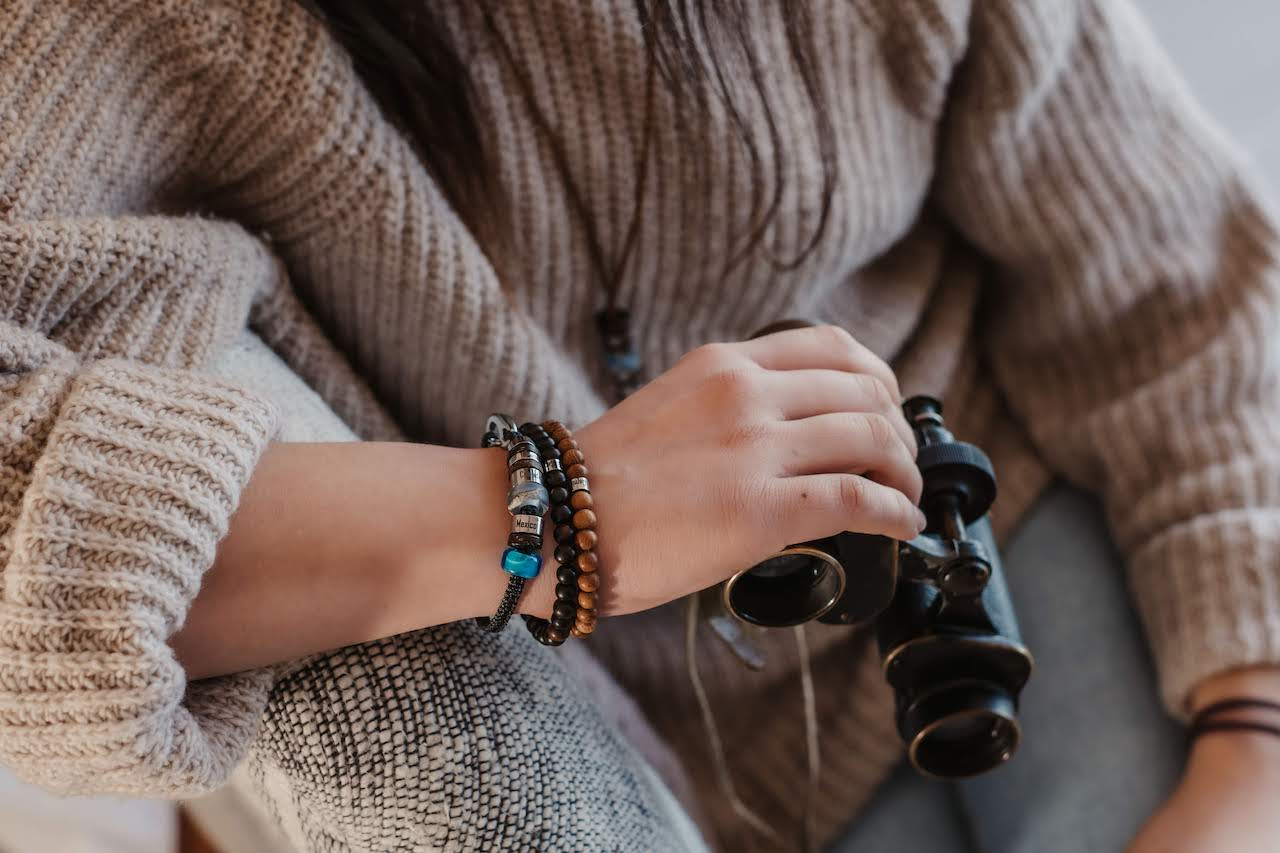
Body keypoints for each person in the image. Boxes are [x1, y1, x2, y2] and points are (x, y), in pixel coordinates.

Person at [1, 0, 1278, 850]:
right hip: (623, 719)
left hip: (1017, 533)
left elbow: (1186, 295)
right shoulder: (149, 35)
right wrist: (551, 511)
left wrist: (1249, 746)